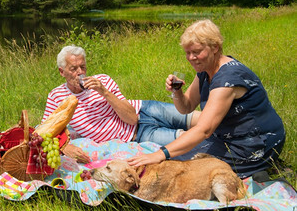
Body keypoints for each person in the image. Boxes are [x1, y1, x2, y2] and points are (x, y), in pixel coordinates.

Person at [127, 20, 286, 178]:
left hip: (254, 144)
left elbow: (204, 130)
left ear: (215, 47)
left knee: (178, 168)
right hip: (226, 138)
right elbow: (186, 107)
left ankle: (261, 167)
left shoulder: (227, 80)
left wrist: (160, 154)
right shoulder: (206, 70)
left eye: (196, 52)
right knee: (175, 157)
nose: (191, 58)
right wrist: (177, 92)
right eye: (187, 53)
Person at [42, 45, 197, 163]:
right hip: (139, 135)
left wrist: (104, 91)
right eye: (73, 69)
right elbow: (43, 132)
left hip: (145, 109)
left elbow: (131, 118)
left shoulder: (102, 80)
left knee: (198, 119)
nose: (80, 72)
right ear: (62, 72)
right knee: (194, 141)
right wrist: (64, 146)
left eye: (82, 67)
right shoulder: (56, 97)